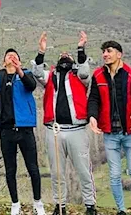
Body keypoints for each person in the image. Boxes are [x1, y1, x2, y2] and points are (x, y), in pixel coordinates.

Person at [32, 31, 96, 215]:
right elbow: (36, 72)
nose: (64, 57)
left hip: (77, 129)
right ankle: (60, 205)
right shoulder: (50, 76)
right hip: (55, 130)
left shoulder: (80, 76)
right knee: (57, 172)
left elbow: (85, 70)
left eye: (67, 56)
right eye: (61, 56)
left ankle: (90, 205)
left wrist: (81, 48)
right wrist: (41, 51)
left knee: (83, 169)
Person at [87, 40, 131, 215]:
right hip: (109, 133)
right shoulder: (97, 75)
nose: (105, 54)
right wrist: (92, 116)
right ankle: (120, 210)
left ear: (119, 54)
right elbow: (93, 99)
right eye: (103, 51)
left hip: (130, 132)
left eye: (109, 51)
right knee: (114, 175)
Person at [0, 43, 44, 215]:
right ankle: (15, 204)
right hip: (6, 130)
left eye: (14, 55)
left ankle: (38, 203)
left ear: (19, 60)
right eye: (8, 55)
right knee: (10, 169)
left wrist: (20, 70)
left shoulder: (25, 74)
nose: (11, 57)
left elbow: (31, 86)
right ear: (4, 62)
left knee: (32, 168)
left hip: (25, 129)